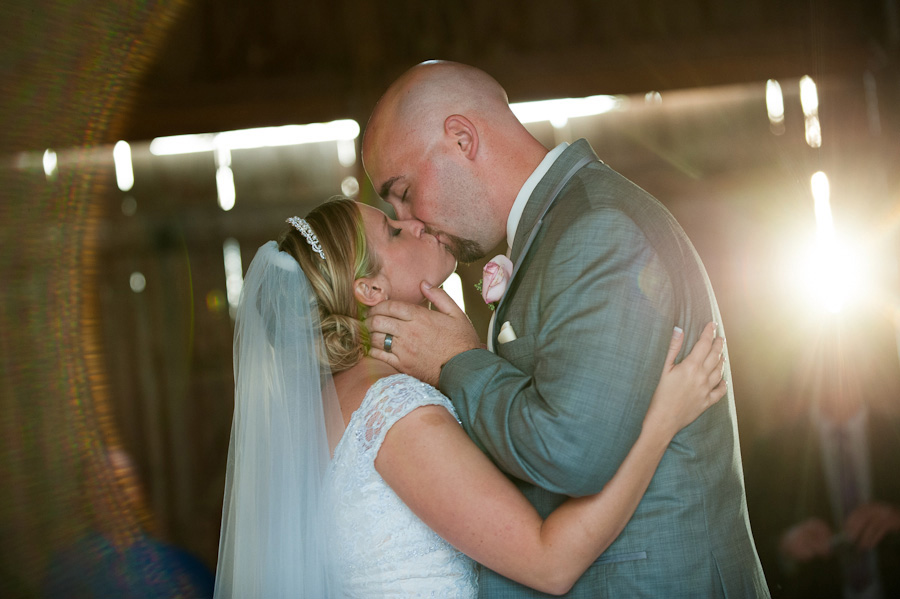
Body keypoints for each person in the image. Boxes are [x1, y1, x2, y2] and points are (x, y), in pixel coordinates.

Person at [362, 60, 768, 597]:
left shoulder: (596, 228)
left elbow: (570, 453)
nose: (410, 221)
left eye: (404, 191)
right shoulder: (563, 226)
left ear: (462, 139)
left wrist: (457, 360)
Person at [213, 197, 728, 597]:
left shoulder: (334, 400)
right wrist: (661, 421)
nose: (415, 223)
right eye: (394, 231)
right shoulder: (393, 412)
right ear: (369, 290)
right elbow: (550, 564)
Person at [747, 321, 900, 598]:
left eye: (847, 351)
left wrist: (896, 518)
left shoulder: (895, 435)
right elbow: (748, 543)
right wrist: (785, 547)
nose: (837, 366)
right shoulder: (770, 452)